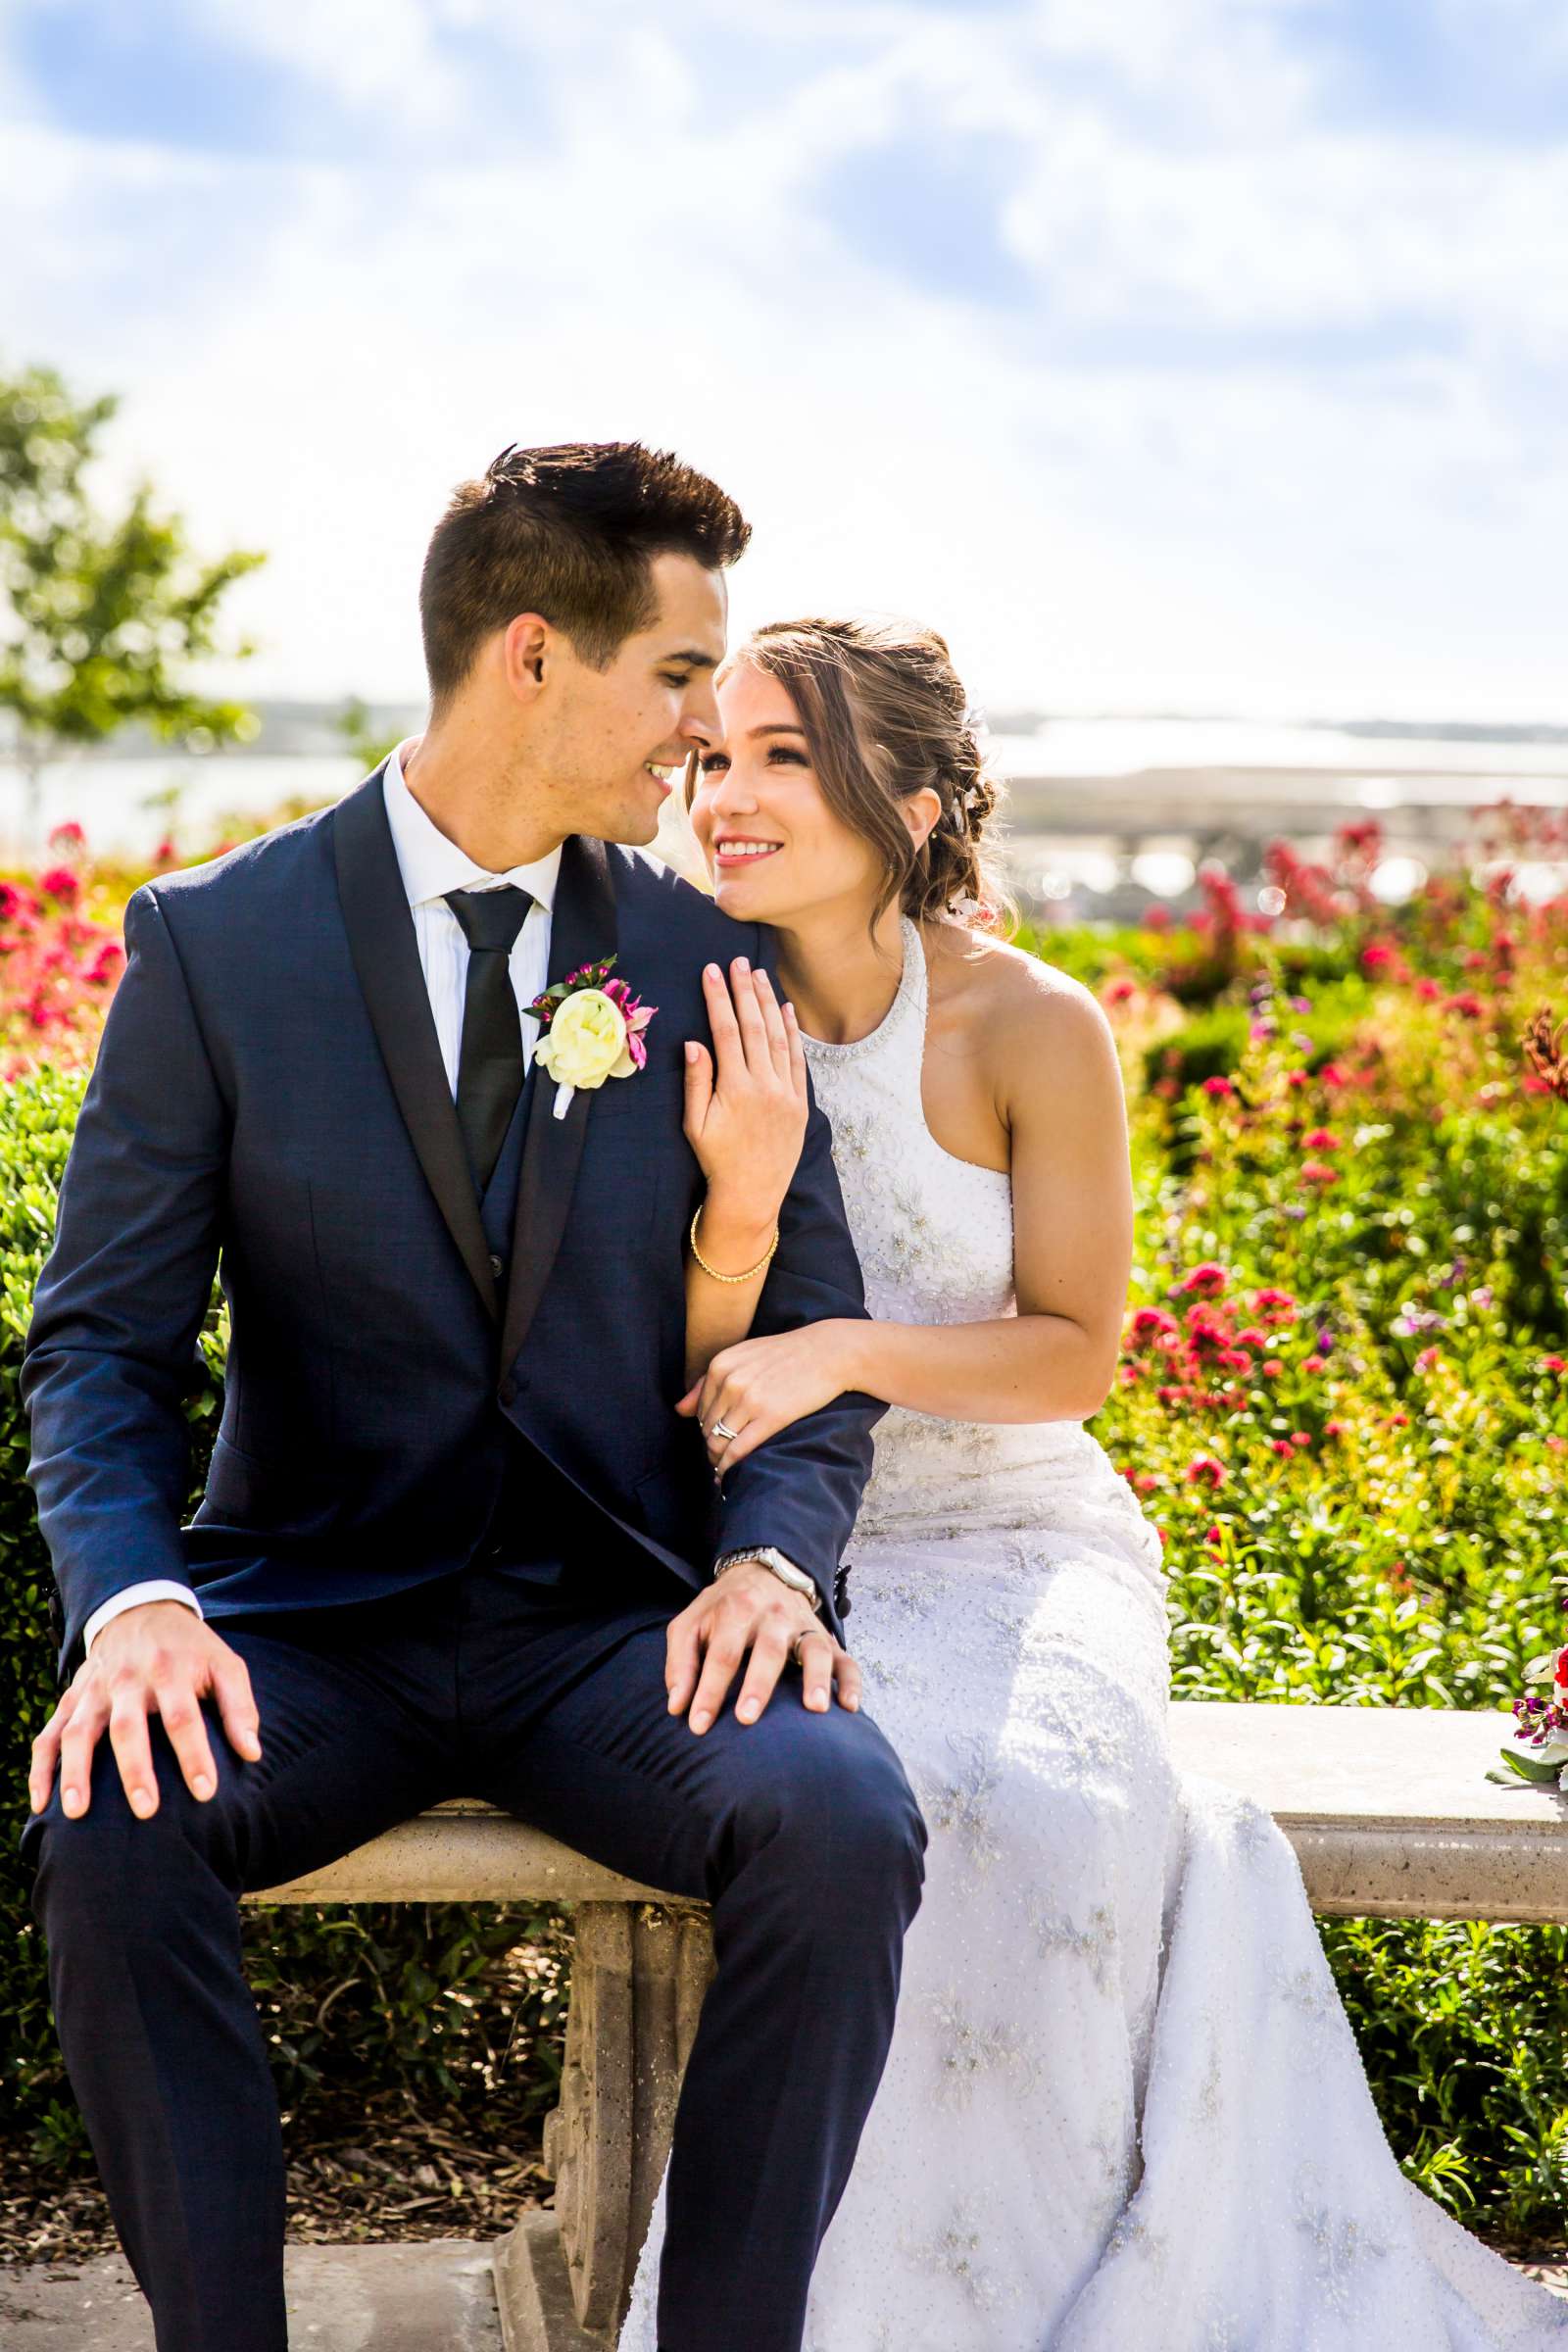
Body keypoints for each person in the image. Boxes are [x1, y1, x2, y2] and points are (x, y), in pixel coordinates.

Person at [20, 448, 927, 2352]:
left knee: (839, 1813)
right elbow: (103, 1346)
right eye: (678, 677)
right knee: (109, 1813)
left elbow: (814, 1336)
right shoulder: (217, 945)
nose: (706, 732)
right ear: (533, 655)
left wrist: (767, 1571)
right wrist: (137, 1603)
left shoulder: (697, 957)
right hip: (308, 1624)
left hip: (612, 1632)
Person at [619, 614, 1568, 2349]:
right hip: (760, 1540)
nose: (725, 797)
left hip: (1009, 1536)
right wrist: (739, 1229)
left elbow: (1074, 1352)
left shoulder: (1027, 1025)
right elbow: (658, 1344)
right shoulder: (675, 1000)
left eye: (777, 757)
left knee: (1027, 1804)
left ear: (905, 802)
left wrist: (843, 1350)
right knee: (837, 1811)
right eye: (709, 758)